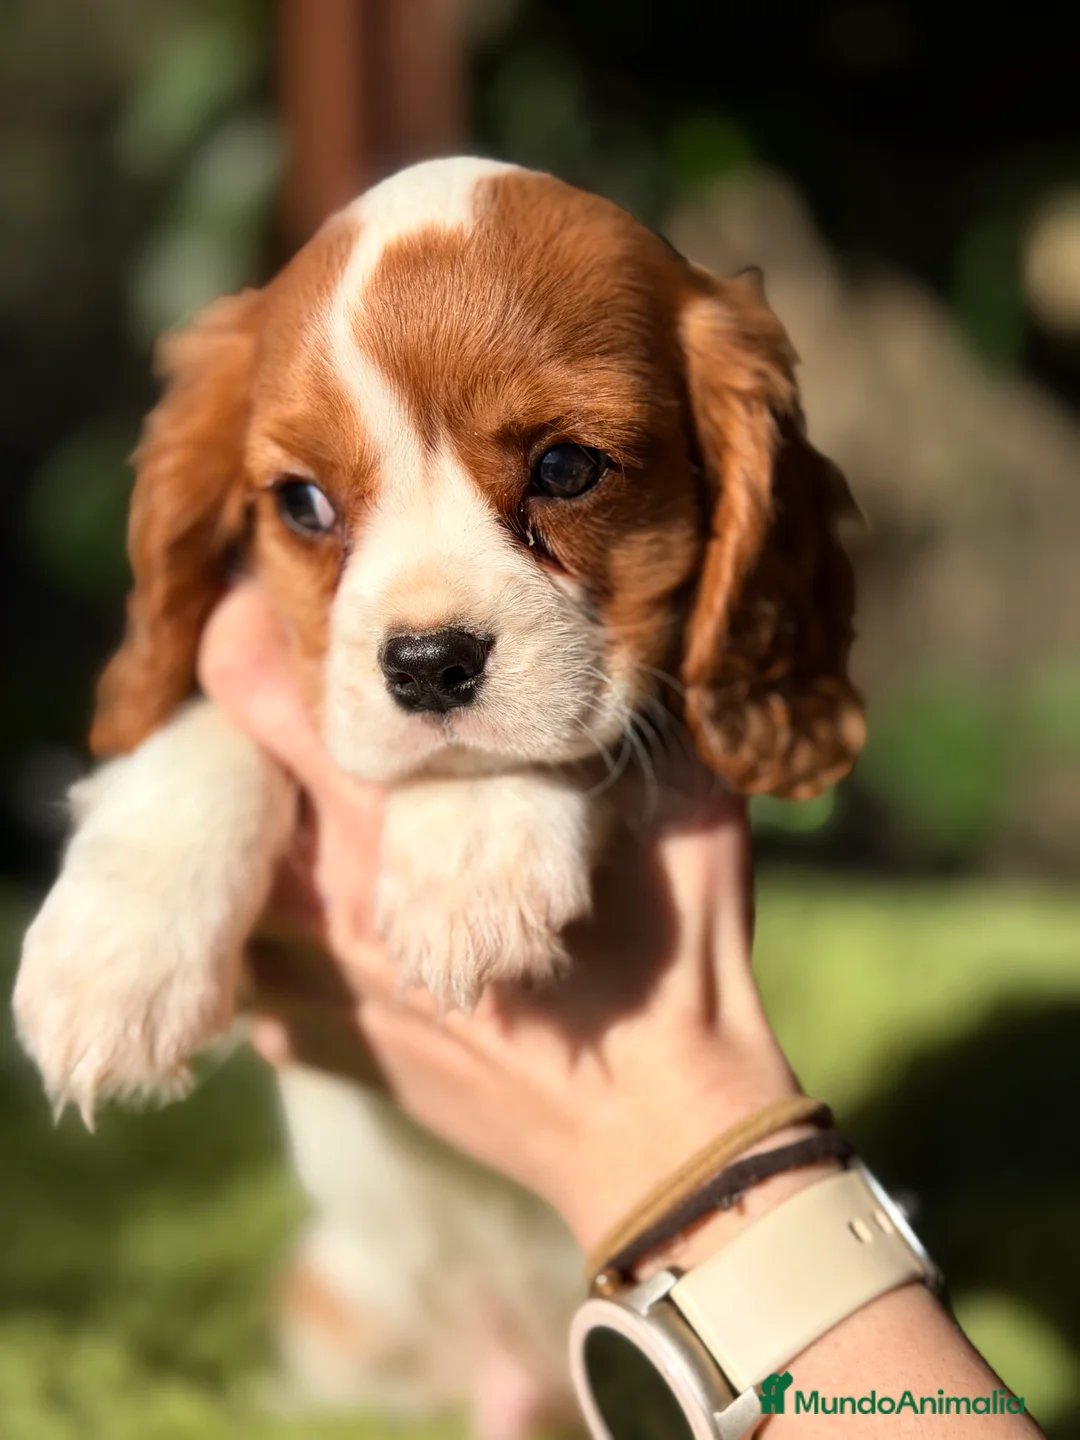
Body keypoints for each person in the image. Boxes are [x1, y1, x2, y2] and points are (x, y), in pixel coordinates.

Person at [197, 583, 1042, 1438]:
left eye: (563, 471)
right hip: (393, 1303)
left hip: (594, 1299)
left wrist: (676, 1140)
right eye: (312, 508)